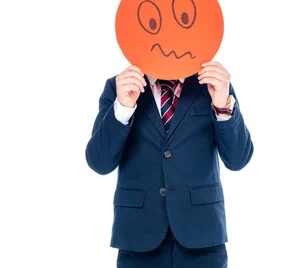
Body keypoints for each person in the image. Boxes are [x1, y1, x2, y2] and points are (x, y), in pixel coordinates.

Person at [85, 61, 254, 268]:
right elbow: (99, 162)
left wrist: (222, 105)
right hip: (138, 237)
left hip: (202, 236)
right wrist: (122, 107)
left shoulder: (212, 84)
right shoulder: (119, 86)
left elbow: (238, 159)